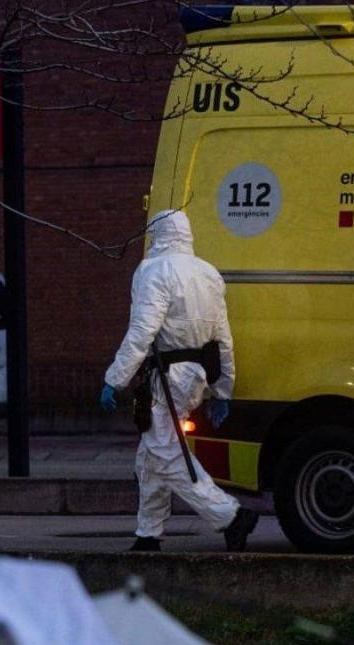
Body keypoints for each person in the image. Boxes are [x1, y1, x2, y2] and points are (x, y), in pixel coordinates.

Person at [99, 209, 259, 553]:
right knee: (150, 456)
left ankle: (230, 516)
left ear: (156, 234)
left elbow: (143, 330)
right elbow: (222, 337)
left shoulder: (153, 271)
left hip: (168, 375)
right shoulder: (208, 273)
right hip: (197, 373)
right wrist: (222, 389)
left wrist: (116, 378)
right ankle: (148, 534)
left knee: (165, 451)